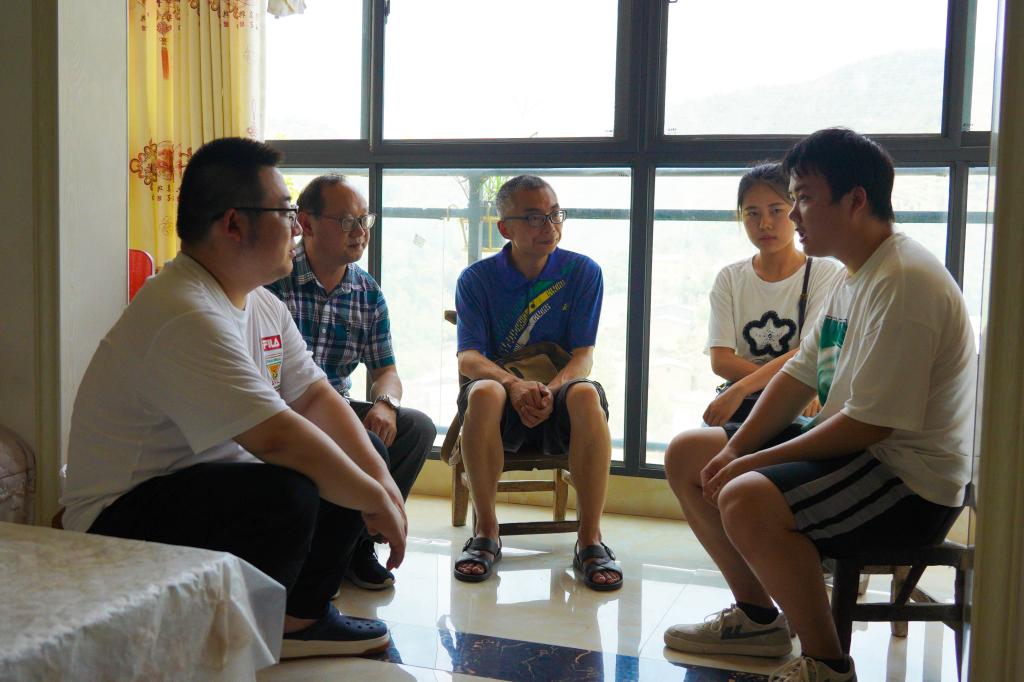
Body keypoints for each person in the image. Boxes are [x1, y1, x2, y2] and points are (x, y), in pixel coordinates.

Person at [60, 137, 409, 659]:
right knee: (292, 489)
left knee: (361, 452)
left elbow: (316, 397)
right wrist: (373, 499)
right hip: (117, 519)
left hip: (202, 486)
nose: (297, 228)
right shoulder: (184, 310)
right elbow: (278, 437)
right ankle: (256, 625)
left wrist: (380, 480)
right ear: (234, 225)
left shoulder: (261, 304)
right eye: (286, 213)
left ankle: (298, 618)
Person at [662, 129, 976, 682]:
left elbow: (869, 426)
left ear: (855, 200)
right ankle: (759, 619)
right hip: (860, 454)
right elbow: (799, 374)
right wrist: (734, 449)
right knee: (689, 452)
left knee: (746, 497)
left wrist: (749, 462)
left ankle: (827, 664)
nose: (792, 215)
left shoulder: (905, 281)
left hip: (907, 481)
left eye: (803, 198)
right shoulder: (855, 274)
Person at [452, 174, 621, 591]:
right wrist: (514, 385)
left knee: (586, 395)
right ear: (504, 228)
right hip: (500, 400)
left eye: (554, 214)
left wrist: (550, 389)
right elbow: (468, 357)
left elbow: (583, 356)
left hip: (559, 394)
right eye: (533, 217)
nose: (548, 226)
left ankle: (590, 539)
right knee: (485, 392)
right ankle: (486, 532)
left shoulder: (582, 271)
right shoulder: (476, 279)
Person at [267, 174, 435, 591]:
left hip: (334, 405)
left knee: (415, 428)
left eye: (364, 220)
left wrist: (386, 404)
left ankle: (357, 546)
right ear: (306, 223)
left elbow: (386, 371)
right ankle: (317, 551)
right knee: (366, 444)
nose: (360, 232)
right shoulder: (273, 279)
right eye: (346, 221)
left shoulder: (366, 292)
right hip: (280, 410)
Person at [703, 162, 844, 427]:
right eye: (752, 213)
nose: (764, 223)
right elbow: (721, 361)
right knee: (690, 447)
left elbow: (808, 352)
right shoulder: (730, 278)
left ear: (796, 211)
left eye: (776, 210)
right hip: (746, 399)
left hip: (801, 401)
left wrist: (745, 386)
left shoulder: (824, 272)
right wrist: (760, 387)